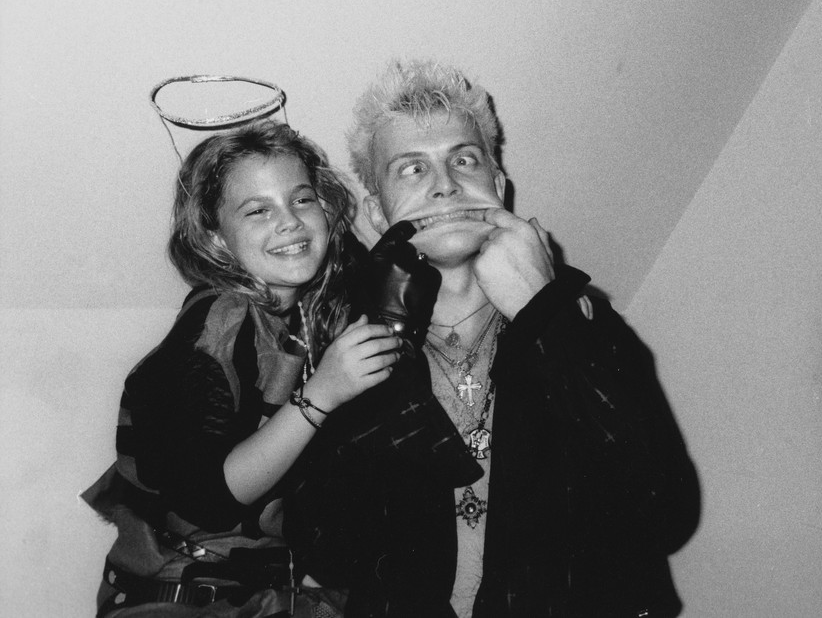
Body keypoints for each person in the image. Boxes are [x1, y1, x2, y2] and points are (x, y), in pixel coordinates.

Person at [289, 60, 701, 617]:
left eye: (465, 159)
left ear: (499, 187)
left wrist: (541, 315)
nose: (444, 184)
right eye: (410, 170)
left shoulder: (582, 321)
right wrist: (385, 314)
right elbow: (329, 552)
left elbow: (665, 514)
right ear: (376, 212)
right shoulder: (342, 341)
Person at [82, 119, 405, 617]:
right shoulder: (219, 322)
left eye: (302, 199)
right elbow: (210, 497)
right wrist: (321, 396)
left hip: (260, 592)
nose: (290, 221)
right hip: (178, 600)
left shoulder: (303, 315)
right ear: (215, 236)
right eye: (258, 210)